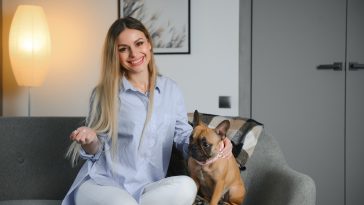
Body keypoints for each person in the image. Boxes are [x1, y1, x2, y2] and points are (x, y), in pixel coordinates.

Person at [61, 16, 232, 205]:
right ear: (114, 54)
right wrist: (90, 139)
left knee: (187, 187)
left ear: (149, 44)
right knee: (124, 203)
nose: (133, 54)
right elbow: (96, 151)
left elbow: (183, 135)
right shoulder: (104, 93)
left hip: (148, 190)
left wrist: (217, 144)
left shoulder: (171, 90)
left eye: (139, 43)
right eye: (123, 49)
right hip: (103, 185)